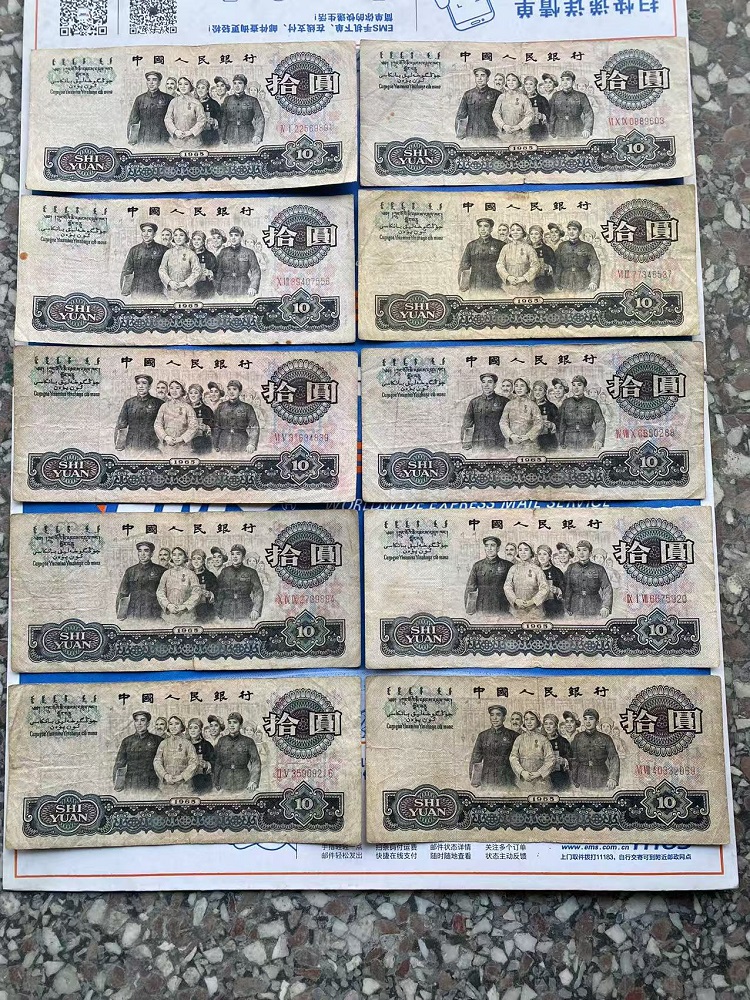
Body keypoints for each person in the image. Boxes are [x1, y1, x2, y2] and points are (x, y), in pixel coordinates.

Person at [469, 705, 518, 790]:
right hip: (487, 780)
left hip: (507, 780)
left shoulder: (513, 735)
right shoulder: (482, 736)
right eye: (492, 715)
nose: (494, 718)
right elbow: (476, 759)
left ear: (504, 718)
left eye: (498, 715)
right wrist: (475, 779)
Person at [570, 708, 620, 790]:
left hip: (602, 777)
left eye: (591, 719)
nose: (588, 722)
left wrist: (613, 778)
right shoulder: (578, 737)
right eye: (585, 719)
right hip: (582, 778)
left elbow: (614, 757)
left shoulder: (606, 738)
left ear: (597, 722)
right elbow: (574, 759)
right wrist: (574, 779)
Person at [112, 711, 162, 792]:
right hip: (131, 784)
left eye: (142, 720)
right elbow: (119, 764)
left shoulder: (157, 740)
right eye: (136, 720)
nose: (139, 723)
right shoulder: (127, 741)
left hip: (151, 784)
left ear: (148, 723)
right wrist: (117, 783)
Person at [116, 540, 166, 621]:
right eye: (140, 551)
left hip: (154, 614)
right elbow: (122, 594)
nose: (142, 554)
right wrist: (120, 615)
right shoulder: (130, 571)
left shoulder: (161, 571)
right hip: (133, 613)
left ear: (152, 554)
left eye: (146, 551)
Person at [464, 535, 513, 616]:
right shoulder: (477, 566)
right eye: (487, 546)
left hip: (502, 608)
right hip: (482, 608)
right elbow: (470, 588)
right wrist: (469, 609)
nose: (489, 548)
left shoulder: (508, 565)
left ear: (498, 548)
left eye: (492, 545)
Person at [213, 712, 262, 792]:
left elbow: (256, 762)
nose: (232, 725)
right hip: (224, 781)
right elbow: (218, 763)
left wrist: (253, 781)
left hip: (243, 781)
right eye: (230, 723)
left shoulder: (248, 741)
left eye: (235, 722)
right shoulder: (222, 741)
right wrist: (216, 782)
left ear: (241, 725)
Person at [114, 374, 164, 452]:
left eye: (144, 383)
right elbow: (121, 425)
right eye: (138, 383)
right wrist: (119, 445)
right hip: (132, 445)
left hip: (152, 445)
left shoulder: (159, 403)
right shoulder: (129, 403)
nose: (141, 386)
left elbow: (164, 425)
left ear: (149, 386)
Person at [215, 544, 265, 621]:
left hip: (245, 610)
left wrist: (256, 609)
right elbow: (219, 592)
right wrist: (218, 612)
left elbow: (258, 592)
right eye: (232, 554)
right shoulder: (225, 571)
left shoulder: (251, 572)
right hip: (226, 611)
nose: (235, 557)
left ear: (243, 557)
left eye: (238, 554)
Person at [565, 540, 613, 618]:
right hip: (575, 607)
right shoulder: (571, 568)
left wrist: (606, 606)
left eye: (584, 550)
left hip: (594, 606)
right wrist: (567, 607)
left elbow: (607, 587)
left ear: (590, 553)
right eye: (579, 550)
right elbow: (567, 588)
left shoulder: (599, 569)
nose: (581, 553)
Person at [504, 541, 550, 620]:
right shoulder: (513, 569)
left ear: (531, 553)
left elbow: (544, 588)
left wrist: (532, 601)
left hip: (535, 611)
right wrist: (516, 600)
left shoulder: (537, 569)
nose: (523, 552)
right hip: (516, 611)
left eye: (526, 550)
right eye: (520, 550)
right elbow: (507, 586)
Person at [510, 711, 555, 792]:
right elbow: (513, 757)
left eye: (532, 719)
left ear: (537, 722)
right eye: (526, 719)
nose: (529, 722)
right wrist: (522, 772)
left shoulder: (543, 739)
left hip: (541, 783)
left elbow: (550, 759)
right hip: (523, 782)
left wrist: (539, 773)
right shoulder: (519, 739)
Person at [558, 374, 606, 450]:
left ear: (585, 388)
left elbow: (600, 422)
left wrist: (598, 440)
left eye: (579, 385)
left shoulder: (592, 403)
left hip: (588, 441)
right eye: (574, 385)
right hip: (569, 441)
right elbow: (561, 423)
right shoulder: (566, 403)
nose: (576, 388)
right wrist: (560, 442)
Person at [156, 546, 202, 624]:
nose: (177, 557)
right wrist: (168, 605)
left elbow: (197, 593)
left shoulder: (191, 574)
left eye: (180, 554)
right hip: (168, 616)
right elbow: (160, 591)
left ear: (185, 557)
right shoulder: (166, 573)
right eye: (174, 555)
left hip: (187, 616)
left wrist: (184, 606)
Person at [121, 222, 168, 298]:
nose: (146, 234)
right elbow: (126, 271)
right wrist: (125, 290)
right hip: (138, 291)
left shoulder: (163, 249)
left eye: (149, 231)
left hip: (156, 292)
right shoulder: (134, 250)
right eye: (143, 231)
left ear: (154, 234)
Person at [153, 716, 199, 792]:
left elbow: (194, 763)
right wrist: (165, 775)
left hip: (184, 786)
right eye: (171, 724)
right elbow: (157, 761)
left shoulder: (188, 744)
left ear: (182, 727)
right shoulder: (163, 743)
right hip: (166, 785)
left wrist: (181, 776)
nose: (173, 727)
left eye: (177, 724)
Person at [212, 380, 260, 452]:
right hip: (223, 443)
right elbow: (216, 427)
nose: (231, 392)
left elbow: (254, 426)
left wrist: (252, 444)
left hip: (242, 442)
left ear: (240, 392)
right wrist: (215, 445)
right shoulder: (221, 407)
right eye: (229, 389)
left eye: (234, 389)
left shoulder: (247, 407)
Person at [461, 372, 506, 450]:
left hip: (498, 443)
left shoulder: (503, 401)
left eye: (490, 382)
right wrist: (466, 442)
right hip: (478, 444)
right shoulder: (474, 402)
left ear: (495, 385)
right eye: (484, 382)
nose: (486, 385)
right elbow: (467, 424)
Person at [458, 218, 504, 292]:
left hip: (495, 287)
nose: (482, 229)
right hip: (475, 286)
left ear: (491, 229)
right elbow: (464, 267)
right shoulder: (471, 245)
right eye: (480, 226)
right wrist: (463, 286)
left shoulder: (500, 245)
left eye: (486, 226)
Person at [554, 221, 601, 293]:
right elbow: (557, 265)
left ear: (580, 232)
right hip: (565, 281)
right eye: (569, 229)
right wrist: (556, 283)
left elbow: (595, 264)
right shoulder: (562, 246)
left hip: (583, 281)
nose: (571, 232)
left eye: (574, 229)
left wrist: (594, 281)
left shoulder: (587, 247)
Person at [154, 379, 200, 453]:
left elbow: (194, 427)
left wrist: (180, 439)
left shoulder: (188, 407)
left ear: (182, 391)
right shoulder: (164, 406)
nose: (174, 391)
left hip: (183, 446)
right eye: (171, 388)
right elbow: (157, 424)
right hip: (166, 445)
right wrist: (166, 437)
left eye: (177, 388)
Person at [127, 70, 171, 145]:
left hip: (162, 140)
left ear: (159, 83)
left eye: (154, 80)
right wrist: (132, 139)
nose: (151, 82)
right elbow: (133, 121)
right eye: (148, 80)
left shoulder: (168, 98)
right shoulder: (140, 99)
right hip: (143, 139)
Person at [214, 227, 261, 297]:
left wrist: (253, 287)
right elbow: (218, 272)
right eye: (231, 235)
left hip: (243, 288)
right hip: (226, 288)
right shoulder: (223, 252)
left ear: (241, 237)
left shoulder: (249, 252)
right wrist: (217, 289)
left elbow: (256, 271)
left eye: (236, 235)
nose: (233, 238)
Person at [499, 377, 544, 451]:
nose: (519, 388)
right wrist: (511, 435)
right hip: (512, 445)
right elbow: (503, 422)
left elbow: (539, 423)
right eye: (516, 386)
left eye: (522, 386)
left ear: (527, 389)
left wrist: (528, 436)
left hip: (529, 445)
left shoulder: (533, 405)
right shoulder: (509, 404)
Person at [159, 227, 202, 301]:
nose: (178, 238)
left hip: (188, 293)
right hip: (171, 292)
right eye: (176, 235)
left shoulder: (191, 254)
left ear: (186, 238)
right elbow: (162, 270)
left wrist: (185, 283)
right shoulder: (168, 253)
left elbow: (197, 271)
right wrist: (170, 282)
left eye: (181, 235)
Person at [455, 67, 500, 138]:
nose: (479, 78)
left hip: (490, 135)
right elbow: (460, 117)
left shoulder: (496, 94)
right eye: (477, 76)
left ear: (488, 78)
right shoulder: (468, 94)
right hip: (471, 135)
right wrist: (460, 135)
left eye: (482, 75)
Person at [220, 74, 265, 144]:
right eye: (235, 83)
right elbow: (224, 119)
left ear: (245, 86)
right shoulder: (227, 99)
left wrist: (258, 135)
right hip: (230, 135)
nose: (237, 86)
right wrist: (222, 137)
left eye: (240, 83)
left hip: (248, 134)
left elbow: (260, 118)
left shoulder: (252, 100)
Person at [549, 70, 594, 139]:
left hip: (577, 130)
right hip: (559, 131)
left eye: (568, 79)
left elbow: (588, 113)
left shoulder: (581, 96)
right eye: (563, 80)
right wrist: (551, 132)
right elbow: (552, 115)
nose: (565, 82)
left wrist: (587, 129)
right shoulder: (555, 95)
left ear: (573, 82)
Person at [164, 77, 207, 148]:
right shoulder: (173, 102)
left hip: (193, 142)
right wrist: (175, 131)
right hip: (176, 142)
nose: (183, 86)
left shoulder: (197, 103)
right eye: (180, 84)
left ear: (191, 86)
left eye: (186, 84)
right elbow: (168, 119)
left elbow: (202, 121)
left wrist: (190, 132)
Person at [496, 224, 539, 294]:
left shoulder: (529, 248)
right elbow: (499, 264)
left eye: (518, 230)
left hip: (526, 288)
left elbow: (535, 266)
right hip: (507, 288)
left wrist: (523, 278)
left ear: (523, 233)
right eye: (513, 230)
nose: (515, 232)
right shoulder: (505, 248)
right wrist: (508, 277)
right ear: (510, 233)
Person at [492, 73, 534, 142]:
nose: (511, 82)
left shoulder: (524, 98)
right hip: (505, 134)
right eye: (508, 80)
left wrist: (518, 126)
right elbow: (496, 113)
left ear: (518, 82)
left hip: (521, 135)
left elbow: (530, 115)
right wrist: (503, 126)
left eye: (514, 80)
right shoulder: (502, 97)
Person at [542, 714, 572, 791]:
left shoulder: (563, 741)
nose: (548, 726)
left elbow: (571, 758)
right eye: (546, 724)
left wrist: (564, 761)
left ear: (555, 726)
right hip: (543, 777)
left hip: (560, 777)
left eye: (551, 724)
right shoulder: (540, 740)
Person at [187, 718, 216, 794]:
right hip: (186, 781)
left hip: (202, 781)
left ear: (200, 730)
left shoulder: (206, 745)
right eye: (190, 728)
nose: (192, 730)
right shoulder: (184, 744)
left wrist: (207, 764)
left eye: (195, 728)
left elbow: (214, 761)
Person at [536, 544, 565, 619]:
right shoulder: (533, 570)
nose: (542, 557)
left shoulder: (556, 571)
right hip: (536, 607)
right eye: (539, 554)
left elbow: (564, 588)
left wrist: (558, 590)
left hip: (552, 607)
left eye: (544, 554)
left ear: (549, 557)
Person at [190, 549, 218, 623]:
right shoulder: (187, 574)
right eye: (194, 559)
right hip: (190, 610)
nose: (196, 561)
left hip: (205, 610)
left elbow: (217, 590)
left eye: (199, 559)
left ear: (203, 561)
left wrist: (211, 594)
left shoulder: (210, 575)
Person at [530, 380, 559, 451]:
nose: (537, 392)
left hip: (547, 441)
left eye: (540, 390)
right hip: (531, 441)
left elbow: (559, 422)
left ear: (545, 392)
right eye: (535, 390)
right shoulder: (528, 405)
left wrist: (552, 425)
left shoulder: (551, 406)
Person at [187, 383, 214, 455]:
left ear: (200, 395)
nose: (193, 395)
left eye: (196, 393)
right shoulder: (185, 408)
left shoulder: (206, 409)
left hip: (202, 443)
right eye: (191, 393)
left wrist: (207, 427)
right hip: (186, 442)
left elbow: (213, 425)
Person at [528, 225, 556, 294]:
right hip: (528, 281)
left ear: (541, 236)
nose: (533, 236)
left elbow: (554, 264)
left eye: (536, 234)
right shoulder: (526, 249)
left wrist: (550, 266)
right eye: (531, 234)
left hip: (544, 282)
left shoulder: (547, 249)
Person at [189, 231, 217, 300]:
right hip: (190, 288)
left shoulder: (209, 255)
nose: (196, 242)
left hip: (205, 289)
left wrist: (210, 273)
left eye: (199, 239)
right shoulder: (188, 254)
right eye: (194, 239)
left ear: (203, 241)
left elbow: (217, 271)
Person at [195, 77, 222, 146]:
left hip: (210, 136)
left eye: (203, 88)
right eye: (198, 88)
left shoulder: (214, 103)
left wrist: (215, 121)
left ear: (207, 90)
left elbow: (221, 118)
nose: (200, 90)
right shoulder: (193, 103)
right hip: (195, 136)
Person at [523, 76, 550, 141]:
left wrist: (542, 116)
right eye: (526, 84)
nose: (528, 86)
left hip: (538, 130)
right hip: (523, 130)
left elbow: (549, 115)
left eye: (531, 84)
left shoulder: (542, 99)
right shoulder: (521, 98)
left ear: (535, 86)